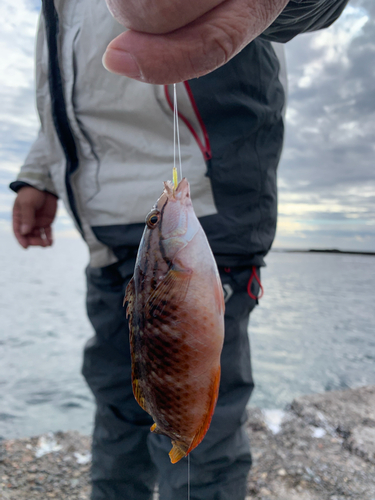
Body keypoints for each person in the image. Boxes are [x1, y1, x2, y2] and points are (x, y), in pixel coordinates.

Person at [11, 1, 349, 499]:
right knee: (116, 402)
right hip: (103, 225)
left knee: (207, 429)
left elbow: (313, 8)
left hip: (214, 206)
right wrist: (40, 173)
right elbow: (60, 82)